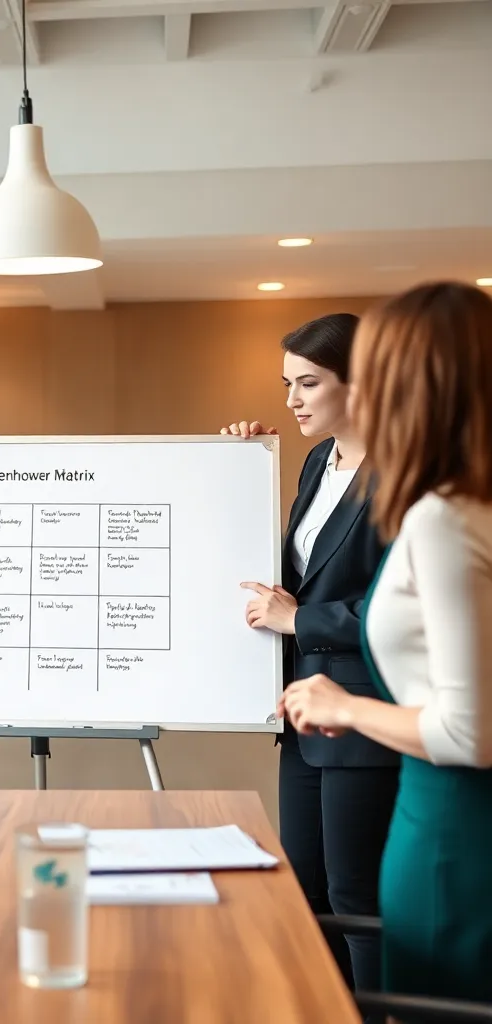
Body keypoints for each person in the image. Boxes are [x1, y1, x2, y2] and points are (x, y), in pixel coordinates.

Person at [281, 282, 492, 1003]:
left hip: (448, 814)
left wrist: (344, 705)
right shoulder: (460, 498)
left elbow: (468, 731)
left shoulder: (439, 512)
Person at [221, 313, 399, 1001]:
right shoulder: (317, 462)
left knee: (357, 894)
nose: (292, 399)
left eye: (309, 383)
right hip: (299, 713)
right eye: (287, 384)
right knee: (308, 886)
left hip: (362, 712)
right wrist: (240, 467)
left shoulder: (401, 476)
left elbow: (403, 611)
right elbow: (298, 568)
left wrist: (302, 620)